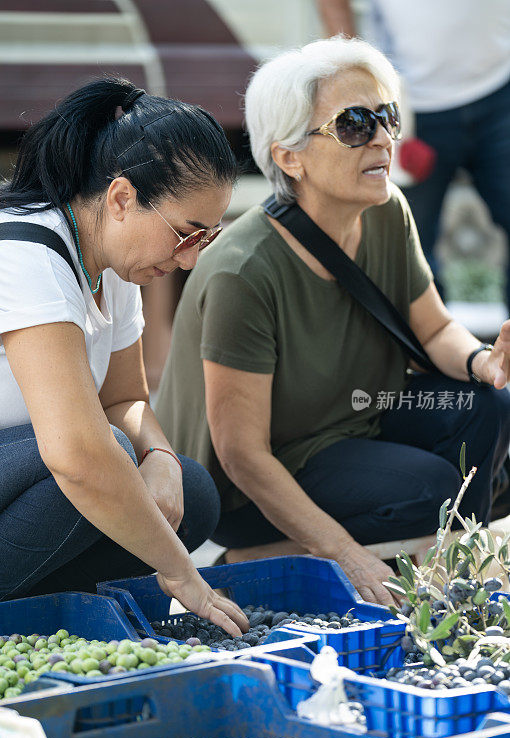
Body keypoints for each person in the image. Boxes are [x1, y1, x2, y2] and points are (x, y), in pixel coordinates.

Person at [155, 37, 510, 605]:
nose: (383, 139)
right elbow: (242, 454)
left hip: (358, 421)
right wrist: (346, 552)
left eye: (387, 117)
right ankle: (259, 559)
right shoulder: (244, 273)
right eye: (354, 125)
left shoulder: (388, 209)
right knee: (434, 489)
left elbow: (436, 330)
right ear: (289, 156)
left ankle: (432, 565)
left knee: (487, 406)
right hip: (250, 488)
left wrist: (483, 362)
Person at [0, 76, 248, 637]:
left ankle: (39, 613)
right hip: (6, 480)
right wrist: (182, 575)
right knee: (105, 456)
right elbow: (76, 453)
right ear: (122, 198)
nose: (192, 259)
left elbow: (124, 398)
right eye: (186, 234)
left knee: (189, 493)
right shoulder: (21, 253)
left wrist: (164, 459)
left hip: (11, 489)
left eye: (208, 238)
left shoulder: (112, 263)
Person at [318, 0, 510, 306]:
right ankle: (430, 352)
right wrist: (356, 84)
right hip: (406, 104)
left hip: (501, 86)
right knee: (408, 248)